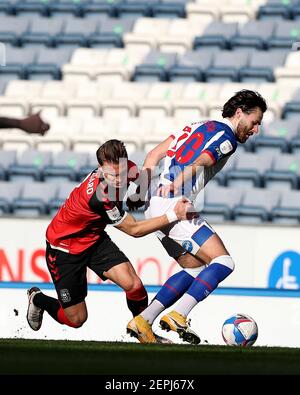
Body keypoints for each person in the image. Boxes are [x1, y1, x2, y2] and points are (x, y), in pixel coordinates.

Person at [127, 89, 267, 344]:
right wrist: (177, 183)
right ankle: (180, 314)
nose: (255, 129)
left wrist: (140, 192)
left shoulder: (193, 126)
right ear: (239, 113)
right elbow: (204, 159)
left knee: (194, 269)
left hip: (153, 204)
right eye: (254, 122)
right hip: (175, 204)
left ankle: (143, 320)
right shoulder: (227, 137)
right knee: (223, 262)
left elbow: (153, 155)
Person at [26, 139, 193, 341]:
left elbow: (142, 178)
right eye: (112, 175)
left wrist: (137, 195)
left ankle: (144, 333)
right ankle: (39, 299)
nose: (118, 180)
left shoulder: (128, 168)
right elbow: (134, 230)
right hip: (64, 248)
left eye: (121, 173)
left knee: (134, 285)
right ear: (99, 170)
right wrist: (175, 215)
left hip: (94, 237)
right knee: (76, 319)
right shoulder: (99, 196)